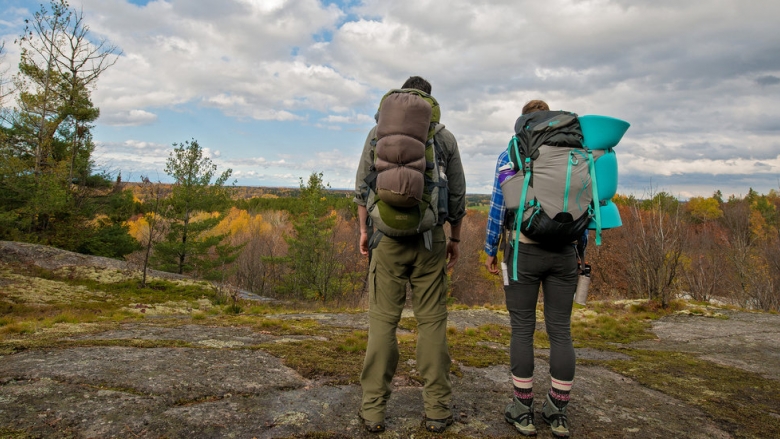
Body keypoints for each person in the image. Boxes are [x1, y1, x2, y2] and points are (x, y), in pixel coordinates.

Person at [354, 76, 467, 434]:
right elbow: (458, 197)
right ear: (428, 104)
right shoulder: (444, 137)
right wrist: (455, 239)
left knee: (383, 322)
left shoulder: (377, 133)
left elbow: (361, 189)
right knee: (431, 322)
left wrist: (364, 231)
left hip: (385, 238)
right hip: (430, 239)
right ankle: (437, 411)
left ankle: (373, 411)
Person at [484, 99, 578, 437]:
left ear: (524, 122)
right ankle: (558, 412)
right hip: (565, 253)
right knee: (561, 332)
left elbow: (499, 206)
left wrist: (490, 248)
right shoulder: (575, 154)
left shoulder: (511, 153)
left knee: (522, 329)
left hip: (523, 252)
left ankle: (522, 410)